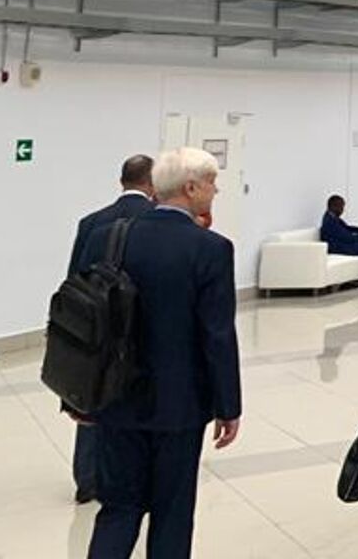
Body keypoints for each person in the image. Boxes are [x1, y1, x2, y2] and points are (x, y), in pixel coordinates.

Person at [79, 147, 240, 559]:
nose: (215, 191)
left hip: (114, 397)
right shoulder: (210, 249)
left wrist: (77, 394)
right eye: (211, 184)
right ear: (190, 188)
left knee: (118, 509)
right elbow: (216, 336)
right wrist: (228, 406)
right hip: (180, 407)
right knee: (172, 513)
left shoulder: (105, 237)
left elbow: (79, 319)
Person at [67, 154, 157, 503]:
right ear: (151, 184)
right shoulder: (158, 223)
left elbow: (74, 278)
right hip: (142, 330)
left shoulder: (90, 222)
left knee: (92, 400)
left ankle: (87, 480)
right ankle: (134, 476)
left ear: (122, 181)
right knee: (138, 404)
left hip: (97, 330)